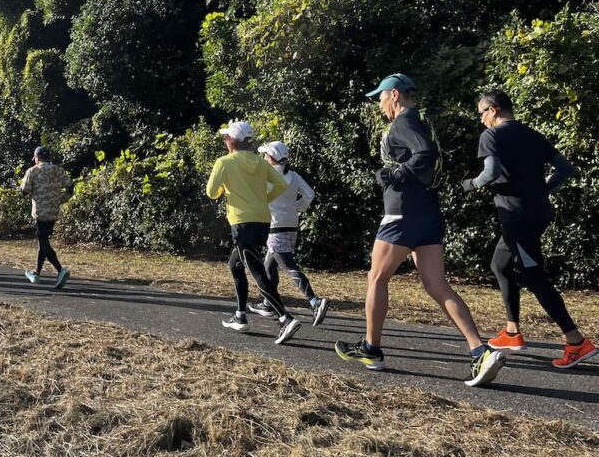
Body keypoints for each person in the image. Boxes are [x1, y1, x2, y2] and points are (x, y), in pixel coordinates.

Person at [335, 73, 507, 387]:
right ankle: (480, 351)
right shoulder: (422, 120)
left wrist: (395, 174)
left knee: (376, 277)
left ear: (395, 95)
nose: (380, 105)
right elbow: (429, 155)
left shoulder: (403, 123)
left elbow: (424, 155)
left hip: (403, 213)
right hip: (428, 212)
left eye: (381, 97)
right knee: (436, 284)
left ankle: (371, 348)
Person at [463, 89, 596, 369]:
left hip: (517, 216)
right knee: (500, 265)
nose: (481, 120)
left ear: (494, 110)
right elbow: (566, 169)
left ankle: (576, 342)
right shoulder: (533, 135)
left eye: (481, 114)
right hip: (536, 213)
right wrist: (540, 190)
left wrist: (471, 184)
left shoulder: (492, 136)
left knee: (534, 276)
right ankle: (512, 332)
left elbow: (491, 171)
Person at [206, 119, 302, 345]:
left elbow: (212, 192)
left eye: (225, 137)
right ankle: (240, 316)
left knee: (257, 271)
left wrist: (225, 189)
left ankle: (285, 317)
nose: (224, 140)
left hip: (242, 223)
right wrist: (262, 199)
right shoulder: (261, 163)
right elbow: (280, 184)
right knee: (235, 264)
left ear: (231, 140)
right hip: (262, 221)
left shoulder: (224, 162)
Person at [247, 141, 329, 326]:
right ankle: (268, 303)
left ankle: (315, 301)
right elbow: (309, 194)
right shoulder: (293, 175)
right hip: (291, 225)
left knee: (289, 266)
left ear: (271, 158)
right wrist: (297, 207)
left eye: (265, 155)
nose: (263, 157)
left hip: (275, 226)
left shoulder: (266, 177)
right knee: (269, 266)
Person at [20, 146, 74, 289]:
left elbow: (24, 191)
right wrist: (60, 199)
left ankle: (60, 270)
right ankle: (36, 273)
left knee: (43, 242)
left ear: (37, 157)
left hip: (40, 213)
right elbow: (70, 187)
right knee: (43, 241)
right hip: (53, 212)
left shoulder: (33, 170)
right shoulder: (59, 170)